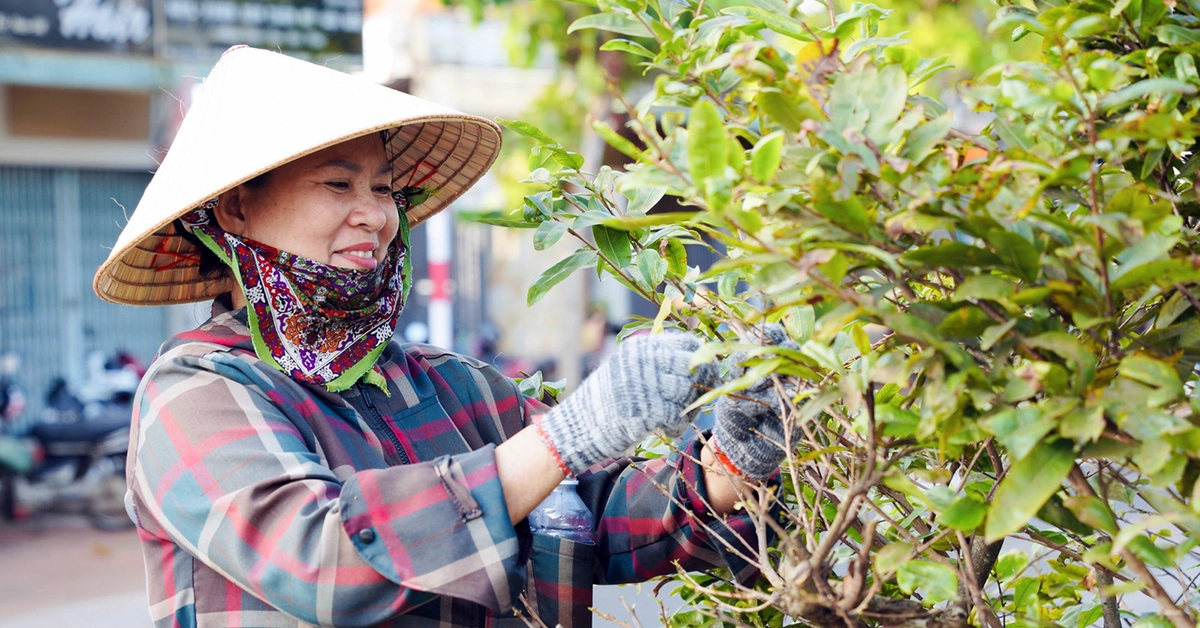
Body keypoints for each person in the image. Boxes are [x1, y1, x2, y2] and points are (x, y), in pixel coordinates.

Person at [94, 46, 793, 628]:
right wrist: (563, 437)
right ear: (238, 208)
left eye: (386, 190)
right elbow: (323, 559)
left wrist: (734, 460)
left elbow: (603, 513)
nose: (376, 216)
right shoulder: (194, 394)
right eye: (339, 185)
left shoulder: (450, 385)